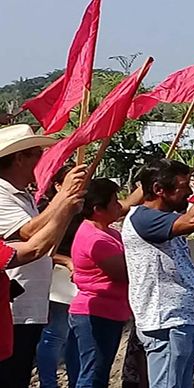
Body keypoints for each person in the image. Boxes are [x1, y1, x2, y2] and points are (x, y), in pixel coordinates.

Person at [121, 146, 194, 388]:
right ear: (158, 190)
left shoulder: (163, 218)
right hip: (167, 323)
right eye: (184, 188)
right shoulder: (144, 219)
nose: (190, 193)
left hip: (180, 321)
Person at [0, 124, 87, 388]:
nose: (42, 160)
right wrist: (64, 199)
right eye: (37, 153)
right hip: (13, 308)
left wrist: (66, 207)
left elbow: (43, 241)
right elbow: (28, 236)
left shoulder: (23, 194)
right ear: (19, 158)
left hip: (29, 303)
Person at [69, 178, 142, 388]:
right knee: (93, 376)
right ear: (97, 209)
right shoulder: (96, 239)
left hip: (108, 312)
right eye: (114, 202)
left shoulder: (106, 232)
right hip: (97, 314)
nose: (119, 206)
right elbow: (125, 273)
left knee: (96, 372)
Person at [0, 184, 83, 361]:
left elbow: (42, 249)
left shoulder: (24, 196)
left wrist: (65, 210)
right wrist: (64, 206)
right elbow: (33, 248)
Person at [36, 164, 84, 388]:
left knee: (75, 336)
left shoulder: (83, 209)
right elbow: (37, 247)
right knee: (56, 333)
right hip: (57, 280)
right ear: (57, 186)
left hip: (79, 280)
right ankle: (48, 383)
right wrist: (66, 261)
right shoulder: (46, 210)